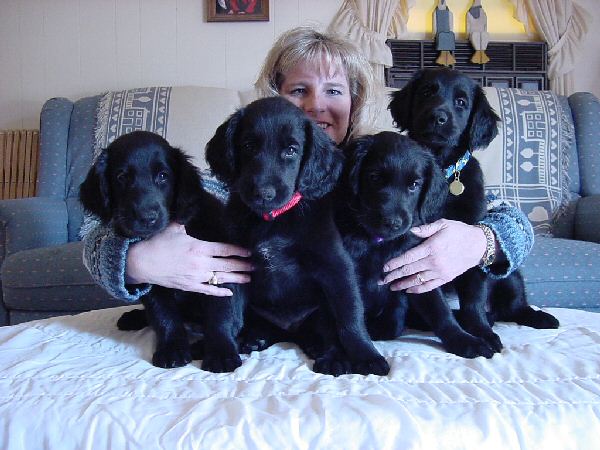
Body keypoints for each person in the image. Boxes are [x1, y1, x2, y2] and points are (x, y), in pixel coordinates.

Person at [83, 26, 533, 302]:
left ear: (355, 101)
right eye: (299, 90)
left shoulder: (380, 162)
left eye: (334, 91)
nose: (316, 105)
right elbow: (96, 236)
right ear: (274, 97)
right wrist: (137, 261)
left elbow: (513, 221)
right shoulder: (245, 178)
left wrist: (481, 242)